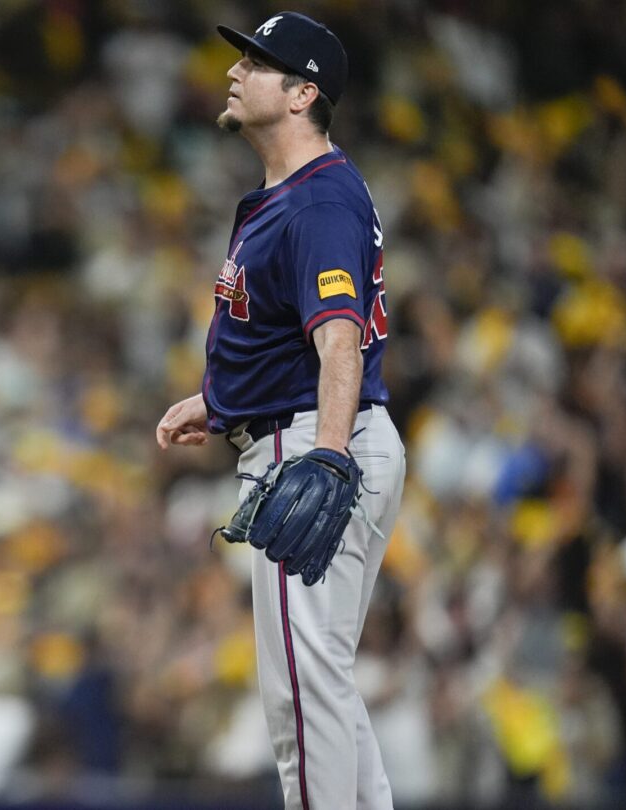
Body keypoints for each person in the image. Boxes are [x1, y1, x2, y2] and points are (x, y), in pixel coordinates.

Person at [155, 13, 405, 810]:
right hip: (305, 429)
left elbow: (341, 345)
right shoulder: (295, 194)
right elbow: (293, 338)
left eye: (258, 63)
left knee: (300, 697)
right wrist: (222, 400)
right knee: (321, 683)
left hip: (318, 442)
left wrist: (326, 455)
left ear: (303, 95)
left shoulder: (318, 202)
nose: (235, 71)